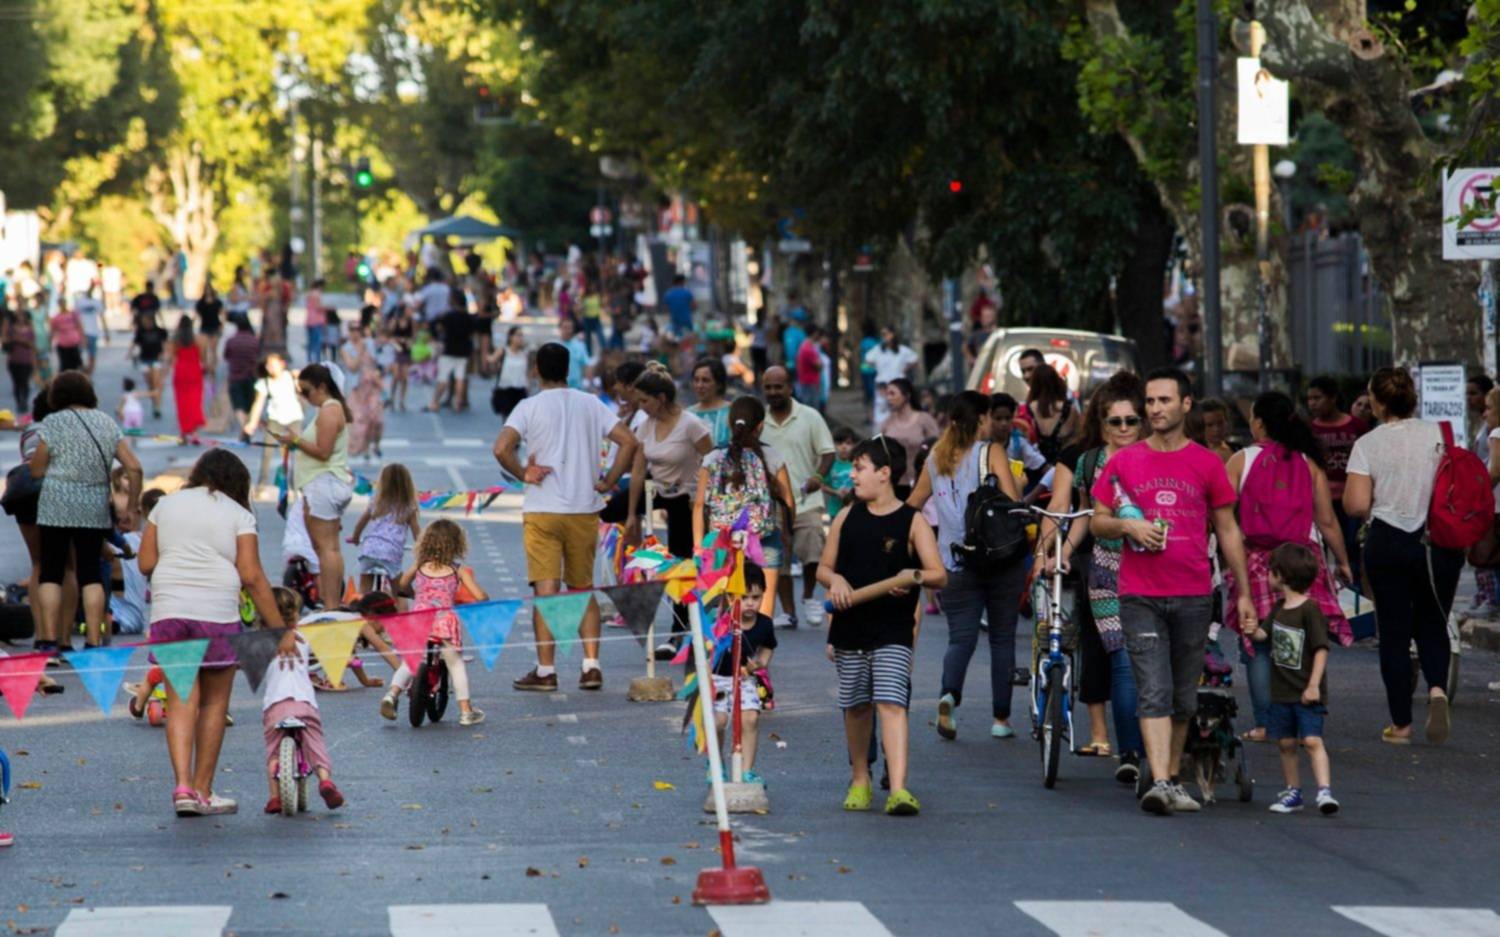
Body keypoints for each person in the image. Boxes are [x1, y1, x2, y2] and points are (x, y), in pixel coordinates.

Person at [1088, 368, 1258, 816]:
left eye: (1164, 400)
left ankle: (1173, 779)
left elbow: (1227, 529)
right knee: (1153, 688)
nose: (1155, 409)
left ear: (1186, 405)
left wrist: (1241, 592)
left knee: (1184, 694)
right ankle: (1162, 780)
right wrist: (1128, 525)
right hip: (1138, 593)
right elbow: (1097, 520)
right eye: (1150, 401)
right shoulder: (1124, 461)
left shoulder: (1207, 463)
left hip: (1193, 593)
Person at [138, 449, 290, 816]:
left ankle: (183, 789)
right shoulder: (238, 514)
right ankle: (205, 790)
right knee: (215, 702)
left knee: (180, 700)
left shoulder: (165, 506)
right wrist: (279, 631)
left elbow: (145, 563)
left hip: (170, 609)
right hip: (216, 612)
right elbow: (252, 576)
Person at [493, 342, 637, 692]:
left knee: (546, 590)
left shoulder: (528, 407)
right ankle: (591, 666)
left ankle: (545, 671)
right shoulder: (591, 404)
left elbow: (501, 448)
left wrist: (523, 473)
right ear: (568, 369)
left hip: (543, 509)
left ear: (537, 371)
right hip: (584, 508)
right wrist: (609, 480)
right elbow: (629, 442)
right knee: (582, 588)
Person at [819, 435, 947, 816]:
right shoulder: (846, 516)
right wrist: (836, 581)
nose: (853, 476)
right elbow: (825, 568)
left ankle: (900, 788)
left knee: (892, 702)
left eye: (859, 468)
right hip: (850, 624)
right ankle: (861, 779)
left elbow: (939, 574)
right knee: (857, 706)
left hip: (893, 628)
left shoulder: (913, 520)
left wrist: (915, 578)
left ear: (885, 473)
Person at [1224, 391, 1353, 743]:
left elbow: (1221, 515)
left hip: (1256, 562)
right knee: (1303, 638)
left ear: (1260, 423)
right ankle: (1305, 715)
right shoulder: (1308, 463)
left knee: (1258, 644)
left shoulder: (1241, 459)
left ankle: (1267, 724)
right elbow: (1327, 521)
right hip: (1302, 561)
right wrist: (1342, 561)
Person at [1343, 366, 1460, 745]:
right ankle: (1438, 689)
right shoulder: (1439, 434)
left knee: (1393, 631)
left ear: (1376, 401)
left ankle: (1402, 725)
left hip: (1388, 541)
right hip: (1437, 542)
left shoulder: (1368, 444)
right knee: (1433, 619)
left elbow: (1358, 503)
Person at [1044, 373, 1147, 780]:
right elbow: (1085, 517)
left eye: (1130, 421)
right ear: (1102, 424)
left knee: (1151, 666)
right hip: (1106, 573)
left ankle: (1155, 749)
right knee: (1122, 662)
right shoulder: (1088, 463)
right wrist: (1062, 554)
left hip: (1156, 572)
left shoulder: (1158, 458)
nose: (1123, 429)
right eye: (1114, 422)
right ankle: (1132, 754)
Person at [908, 391, 1025, 740]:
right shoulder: (991, 452)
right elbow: (1013, 502)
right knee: (1002, 639)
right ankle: (1001, 720)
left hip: (953, 560)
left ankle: (949, 696)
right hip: (999, 559)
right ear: (981, 419)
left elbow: (914, 503)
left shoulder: (935, 457)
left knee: (960, 638)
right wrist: (1018, 483)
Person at [29, 371, 143, 651]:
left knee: (52, 572)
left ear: (58, 395)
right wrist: (130, 507)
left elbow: (37, 469)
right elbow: (135, 467)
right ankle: (93, 639)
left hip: (55, 506)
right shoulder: (106, 422)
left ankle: (49, 639)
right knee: (90, 572)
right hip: (93, 507)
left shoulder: (52, 423)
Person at [626, 364, 713, 657]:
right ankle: (643, 562)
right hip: (656, 490)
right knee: (606, 509)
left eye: (644, 401)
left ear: (661, 398)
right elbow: (638, 472)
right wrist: (630, 516)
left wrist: (699, 496)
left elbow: (713, 460)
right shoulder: (645, 425)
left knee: (681, 562)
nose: (640, 407)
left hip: (685, 497)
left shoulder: (690, 424)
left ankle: (679, 633)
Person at [1249, 543, 1338, 815]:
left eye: (1270, 571)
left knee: (1312, 740)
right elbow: (1263, 637)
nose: (1267, 575)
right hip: (1282, 691)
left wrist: (1314, 685)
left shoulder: (1310, 609)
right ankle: (1293, 791)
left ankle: (1324, 791)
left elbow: (1321, 648)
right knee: (1285, 743)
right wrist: (1252, 629)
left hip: (1305, 691)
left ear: (1281, 575)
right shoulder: (1278, 608)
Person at [693, 396, 794, 616]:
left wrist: (699, 546)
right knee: (762, 608)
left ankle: (726, 648)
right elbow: (788, 502)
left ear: (730, 424)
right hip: (764, 536)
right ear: (761, 426)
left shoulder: (713, 457)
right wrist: (787, 533)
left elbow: (700, 504)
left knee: (719, 607)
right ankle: (758, 648)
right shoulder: (773, 456)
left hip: (722, 538)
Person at [382, 520, 489, 725]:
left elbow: (402, 585)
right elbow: (479, 595)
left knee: (411, 661)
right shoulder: (458, 570)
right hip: (445, 621)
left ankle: (391, 694)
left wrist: (416, 596)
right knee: (456, 664)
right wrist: (483, 599)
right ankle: (466, 711)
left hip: (419, 619)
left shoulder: (419, 566)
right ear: (457, 544)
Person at [270, 363, 354, 613]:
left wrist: (294, 441)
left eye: (306, 391)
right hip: (323, 484)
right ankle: (331, 604)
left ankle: (330, 605)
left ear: (322, 387)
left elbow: (323, 452)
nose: (304, 397)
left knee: (326, 549)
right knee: (326, 548)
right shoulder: (330, 409)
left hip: (323, 483)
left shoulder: (329, 411)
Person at [759, 366, 835, 629]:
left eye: (778, 386)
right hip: (772, 504)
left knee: (813, 547)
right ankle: (789, 613)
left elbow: (828, 453)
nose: (773, 392)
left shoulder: (810, 417)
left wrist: (818, 477)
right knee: (777, 558)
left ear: (790, 388)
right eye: (768, 387)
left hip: (806, 500)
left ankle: (808, 597)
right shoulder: (760, 422)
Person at [260, 587, 346, 814]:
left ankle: (275, 797)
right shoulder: (304, 637)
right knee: (315, 743)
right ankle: (325, 780)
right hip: (304, 703)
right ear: (295, 614)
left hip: (275, 705)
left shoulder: (259, 641)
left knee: (273, 752)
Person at [711, 564, 777, 783]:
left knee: (750, 719)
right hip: (718, 679)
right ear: (730, 597)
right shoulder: (722, 621)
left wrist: (761, 663)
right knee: (719, 722)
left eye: (756, 597)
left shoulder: (765, 624)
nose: (750, 603)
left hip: (746, 678)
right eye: (744, 597)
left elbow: (768, 646)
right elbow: (706, 647)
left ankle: (747, 770)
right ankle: (716, 763)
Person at [1305, 375, 1368, 583]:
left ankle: (1355, 588)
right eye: (1309, 399)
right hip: (1321, 498)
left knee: (1352, 544)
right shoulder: (1309, 430)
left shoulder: (1356, 427)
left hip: (1350, 498)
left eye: (1317, 398)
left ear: (1332, 398)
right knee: (1319, 546)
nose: (1312, 403)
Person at [351, 463, 421, 593]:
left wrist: (355, 538)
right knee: (400, 591)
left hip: (369, 550)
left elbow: (360, 523)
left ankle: (362, 608)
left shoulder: (376, 502)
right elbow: (417, 534)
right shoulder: (408, 507)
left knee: (364, 589)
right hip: (390, 552)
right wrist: (421, 548)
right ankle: (401, 611)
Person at [243, 351, 304, 491]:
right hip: (275, 418)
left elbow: (304, 389)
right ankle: (262, 483)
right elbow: (258, 404)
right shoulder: (264, 383)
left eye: (273, 365)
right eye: (268, 366)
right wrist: (252, 422)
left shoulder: (290, 377)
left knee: (297, 452)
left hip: (294, 417)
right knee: (267, 451)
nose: (270, 368)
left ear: (282, 365)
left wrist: (299, 378)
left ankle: (297, 484)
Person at [878, 378, 939, 491]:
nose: (888, 398)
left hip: (922, 483)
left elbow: (937, 448)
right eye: (887, 394)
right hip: (894, 485)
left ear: (907, 395)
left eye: (892, 393)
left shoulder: (925, 420)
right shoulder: (886, 423)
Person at [430, 287, 475, 412]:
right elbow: (472, 333)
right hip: (463, 351)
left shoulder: (448, 316)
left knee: (443, 378)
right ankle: (458, 402)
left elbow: (437, 326)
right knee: (460, 378)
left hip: (449, 350)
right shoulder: (468, 317)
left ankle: (435, 402)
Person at [864, 327, 919, 428]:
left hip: (898, 384)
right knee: (881, 411)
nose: (884, 337)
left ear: (892, 334)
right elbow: (868, 359)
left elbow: (915, 359)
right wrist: (878, 368)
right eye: (883, 335)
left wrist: (905, 368)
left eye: (886, 334)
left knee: (899, 408)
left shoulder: (902, 350)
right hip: (882, 385)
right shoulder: (878, 350)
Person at [164, 315, 206, 443]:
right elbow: (202, 358)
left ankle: (184, 432)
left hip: (181, 372)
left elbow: (170, 359)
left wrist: (164, 373)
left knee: (182, 403)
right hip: (195, 371)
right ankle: (194, 432)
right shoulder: (199, 339)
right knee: (194, 402)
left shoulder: (175, 341)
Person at [1026, 363, 1078, 465]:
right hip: (1061, 466)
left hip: (1033, 466)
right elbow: (1075, 438)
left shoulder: (1028, 409)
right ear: (1056, 381)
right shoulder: (1069, 409)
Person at [130, 283, 166, 418]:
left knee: (155, 382)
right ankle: (155, 402)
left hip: (155, 358)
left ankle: (157, 406)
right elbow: (135, 343)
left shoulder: (159, 330)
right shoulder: (140, 330)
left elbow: (166, 344)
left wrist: (165, 355)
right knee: (150, 384)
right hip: (144, 358)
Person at [223, 314, 261, 431]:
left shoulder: (231, 340)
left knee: (238, 405)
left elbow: (226, 356)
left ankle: (244, 426)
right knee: (249, 405)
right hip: (251, 376)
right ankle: (247, 428)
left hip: (235, 376)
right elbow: (259, 356)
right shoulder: (255, 341)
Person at [688, 357, 732, 448]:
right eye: (696, 380)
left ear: (719, 384)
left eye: (705, 380)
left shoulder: (732, 412)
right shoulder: (688, 413)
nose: (699, 385)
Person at [487, 325, 530, 418]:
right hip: (505, 389)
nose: (520, 338)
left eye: (521, 335)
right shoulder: (503, 351)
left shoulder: (524, 353)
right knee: (507, 418)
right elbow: (491, 361)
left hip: (520, 390)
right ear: (510, 336)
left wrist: (528, 388)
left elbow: (527, 373)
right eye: (518, 335)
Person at [3, 309, 36, 410]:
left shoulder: (30, 329)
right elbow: (5, 343)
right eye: (18, 315)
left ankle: (24, 401)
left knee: (25, 382)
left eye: (22, 315)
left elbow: (33, 345)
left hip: (26, 360)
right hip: (14, 360)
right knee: (16, 383)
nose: (20, 318)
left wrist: (21, 340)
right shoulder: (11, 329)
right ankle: (18, 402)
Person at [823, 427, 857, 519]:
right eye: (839, 443)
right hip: (835, 510)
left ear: (854, 445)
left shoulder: (857, 464)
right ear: (833, 445)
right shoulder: (830, 464)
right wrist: (835, 492)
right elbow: (822, 485)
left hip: (855, 510)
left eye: (848, 443)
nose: (844, 447)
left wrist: (853, 492)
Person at [195, 280, 223, 375]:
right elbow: (196, 315)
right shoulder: (201, 303)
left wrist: (222, 325)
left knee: (213, 349)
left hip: (215, 327)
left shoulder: (217, 302)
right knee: (204, 349)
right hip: (205, 327)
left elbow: (222, 313)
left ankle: (213, 367)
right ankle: (206, 366)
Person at [51, 298, 85, 373]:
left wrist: (83, 338)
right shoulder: (56, 317)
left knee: (77, 362)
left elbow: (79, 326)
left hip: (74, 342)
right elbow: (53, 330)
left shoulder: (72, 314)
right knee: (65, 364)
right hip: (63, 343)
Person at [558, 316, 593, 390]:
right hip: (559, 388)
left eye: (569, 327)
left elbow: (587, 365)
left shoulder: (580, 346)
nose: (568, 330)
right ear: (560, 328)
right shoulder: (555, 346)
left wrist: (588, 383)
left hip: (577, 388)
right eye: (565, 327)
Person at [1198, 398, 1235, 463]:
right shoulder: (1193, 454)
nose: (1216, 429)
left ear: (1226, 422)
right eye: (1209, 425)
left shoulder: (1237, 449)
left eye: (1220, 423)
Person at [795, 326, 824, 408]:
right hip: (810, 382)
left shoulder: (804, 346)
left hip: (806, 381)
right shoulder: (809, 349)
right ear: (815, 334)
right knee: (812, 409)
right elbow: (819, 366)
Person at [663, 274, 695, 338]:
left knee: (677, 340)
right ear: (681, 282)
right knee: (688, 341)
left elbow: (665, 309)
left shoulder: (668, 294)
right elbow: (694, 306)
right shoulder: (687, 292)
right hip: (687, 322)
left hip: (675, 322)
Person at [304, 279, 328, 364]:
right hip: (317, 321)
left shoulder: (309, 294)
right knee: (317, 343)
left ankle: (309, 360)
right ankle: (317, 361)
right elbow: (318, 307)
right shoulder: (317, 294)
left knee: (310, 342)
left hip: (309, 320)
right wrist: (327, 308)